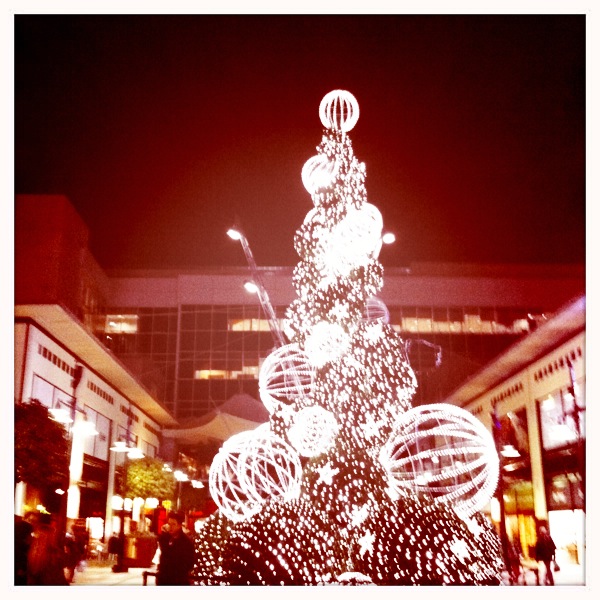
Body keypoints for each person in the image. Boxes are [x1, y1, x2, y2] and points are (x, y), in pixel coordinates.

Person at [156, 511, 195, 585]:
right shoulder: (165, 538)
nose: (170, 527)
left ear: (179, 525)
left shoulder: (186, 542)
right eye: (169, 524)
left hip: (178, 580)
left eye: (173, 524)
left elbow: (189, 563)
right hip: (164, 579)